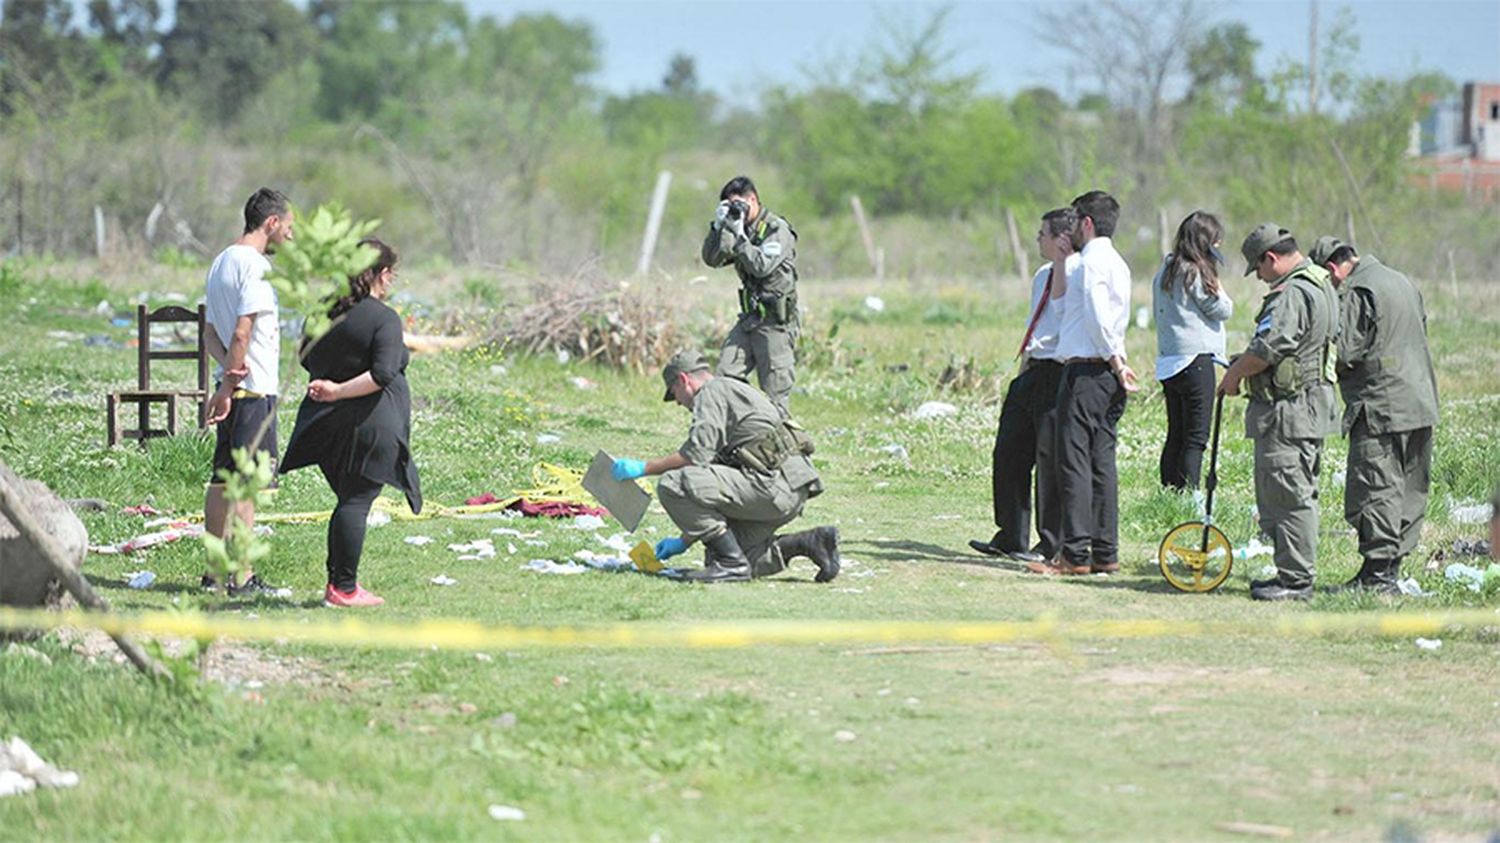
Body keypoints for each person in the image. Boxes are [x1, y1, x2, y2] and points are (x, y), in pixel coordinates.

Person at [610, 350, 837, 584]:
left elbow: (694, 456)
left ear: (683, 380)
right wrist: (683, 541)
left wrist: (643, 468)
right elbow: (711, 483)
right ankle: (812, 543)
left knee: (673, 482)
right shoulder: (731, 394)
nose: (678, 402)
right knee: (726, 555)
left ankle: (732, 565)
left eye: (674, 393)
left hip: (773, 486)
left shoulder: (712, 392)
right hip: (790, 489)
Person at [279, 239, 422, 607]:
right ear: (381, 274)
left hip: (326, 424)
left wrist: (333, 384)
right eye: (390, 273)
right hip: (369, 423)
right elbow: (384, 373)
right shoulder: (384, 318)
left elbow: (307, 359)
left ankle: (338, 584)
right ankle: (343, 589)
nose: (391, 281)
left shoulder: (323, 311)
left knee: (349, 500)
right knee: (356, 502)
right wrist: (341, 390)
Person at [1308, 236, 1439, 594]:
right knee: (1409, 486)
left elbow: (1347, 350)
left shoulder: (1357, 289)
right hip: (1421, 399)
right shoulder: (1401, 280)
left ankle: (1376, 577)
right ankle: (1391, 570)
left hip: (1381, 404)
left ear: (1333, 269)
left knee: (1376, 486)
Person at [1219, 224, 1339, 601]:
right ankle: (1292, 572)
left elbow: (1269, 348)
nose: (1258, 277)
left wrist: (1235, 374)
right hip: (1307, 405)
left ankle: (1296, 581)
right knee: (1294, 493)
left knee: (1289, 496)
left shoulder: (1290, 293)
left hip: (1289, 411)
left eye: (1258, 269)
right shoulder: (1321, 283)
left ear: (1271, 259)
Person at [1027, 191, 1139, 576]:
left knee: (1073, 461)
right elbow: (1062, 308)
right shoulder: (1112, 263)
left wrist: (1115, 360)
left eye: (1073, 222)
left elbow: (1097, 318)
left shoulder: (1092, 265)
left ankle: (1074, 554)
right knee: (1101, 463)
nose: (1068, 229)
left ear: (1087, 223)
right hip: (1101, 371)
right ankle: (1105, 551)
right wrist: (1060, 260)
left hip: (1088, 370)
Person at [969, 207, 1079, 564]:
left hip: (1059, 369)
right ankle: (1010, 533)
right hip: (1032, 367)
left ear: (1061, 238)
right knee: (1008, 453)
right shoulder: (1041, 275)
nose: (1038, 239)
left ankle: (1050, 541)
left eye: (1043, 233)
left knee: (1049, 459)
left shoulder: (1077, 273)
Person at [201, 187, 294, 596]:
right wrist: (230, 384)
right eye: (288, 227)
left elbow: (207, 331)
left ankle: (214, 573)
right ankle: (242, 576)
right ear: (271, 222)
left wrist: (225, 376)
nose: (290, 237)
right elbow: (243, 330)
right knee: (246, 487)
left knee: (222, 481)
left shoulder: (221, 260)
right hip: (252, 392)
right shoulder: (254, 267)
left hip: (235, 388)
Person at [701, 176, 800, 417]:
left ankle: (785, 450)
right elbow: (713, 259)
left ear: (752, 199)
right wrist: (719, 227)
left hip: (775, 323)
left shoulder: (776, 229)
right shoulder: (738, 226)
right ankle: (737, 436)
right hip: (749, 319)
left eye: (739, 205)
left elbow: (762, 266)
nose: (738, 212)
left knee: (775, 394)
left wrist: (741, 237)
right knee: (724, 378)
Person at [1153, 211, 1234, 490]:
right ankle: (1192, 498)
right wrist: (1217, 280)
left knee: (1176, 432)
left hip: (1169, 360)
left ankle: (1169, 491)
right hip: (1195, 360)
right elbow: (1222, 309)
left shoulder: (1166, 268)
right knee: (1196, 437)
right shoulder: (1196, 270)